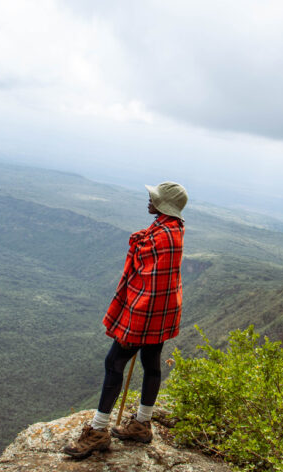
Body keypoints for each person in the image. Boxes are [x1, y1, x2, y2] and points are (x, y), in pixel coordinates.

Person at [62, 181, 188, 459]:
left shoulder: (164, 235)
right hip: (163, 310)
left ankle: (97, 431)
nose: (148, 200)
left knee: (114, 362)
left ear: (163, 205)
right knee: (150, 363)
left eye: (153, 198)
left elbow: (148, 278)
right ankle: (142, 424)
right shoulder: (170, 229)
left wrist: (131, 319)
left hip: (147, 311)